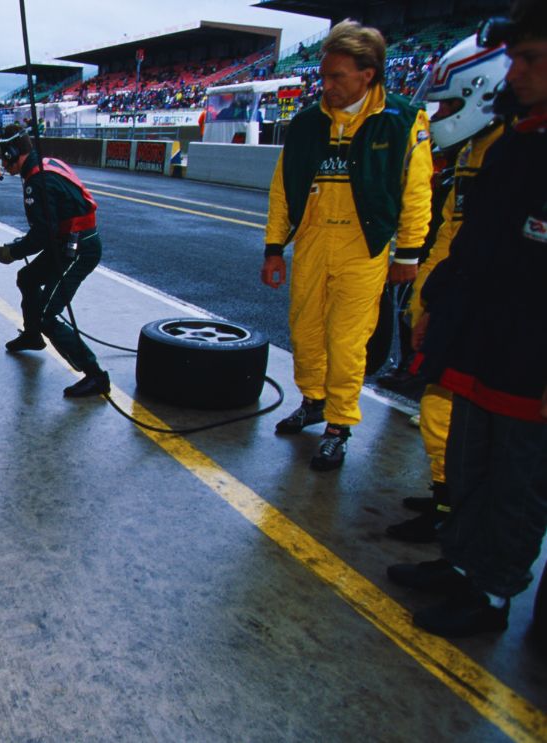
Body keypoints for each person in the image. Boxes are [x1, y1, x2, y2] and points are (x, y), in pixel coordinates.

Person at [388, 1, 547, 639]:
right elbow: (476, 242)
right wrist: (439, 311)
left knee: (517, 479)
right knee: (470, 460)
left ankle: (491, 596)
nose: (516, 74)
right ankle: (459, 564)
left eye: (532, 60)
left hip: (532, 358)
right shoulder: (518, 141)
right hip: (482, 338)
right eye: (515, 59)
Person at [261, 19, 432, 471]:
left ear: (367, 74)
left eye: (337, 76)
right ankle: (313, 400)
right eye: (324, 75)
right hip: (314, 241)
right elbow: (282, 190)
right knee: (305, 330)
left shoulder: (402, 120)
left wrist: (408, 255)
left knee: (346, 340)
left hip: (365, 247)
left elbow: (417, 193)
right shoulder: (306, 124)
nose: (327, 84)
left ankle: (339, 426)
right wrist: (274, 247)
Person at [385, 34, 510, 543]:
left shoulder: (511, 152)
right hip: (459, 303)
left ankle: (453, 509)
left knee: (446, 413)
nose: (440, 115)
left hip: (488, 315)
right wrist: (424, 301)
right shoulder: (478, 151)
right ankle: (447, 497)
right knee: (443, 411)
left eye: (450, 104)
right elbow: (450, 240)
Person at [0, 124, 109, 398]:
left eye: (3, 156)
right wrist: (18, 248)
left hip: (79, 249)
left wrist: (11, 251)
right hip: (67, 241)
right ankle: (32, 336)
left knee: (46, 314)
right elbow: (49, 229)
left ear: (12, 151)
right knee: (27, 278)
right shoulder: (41, 166)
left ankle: (95, 375)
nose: (2, 163)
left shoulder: (37, 180)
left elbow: (43, 234)